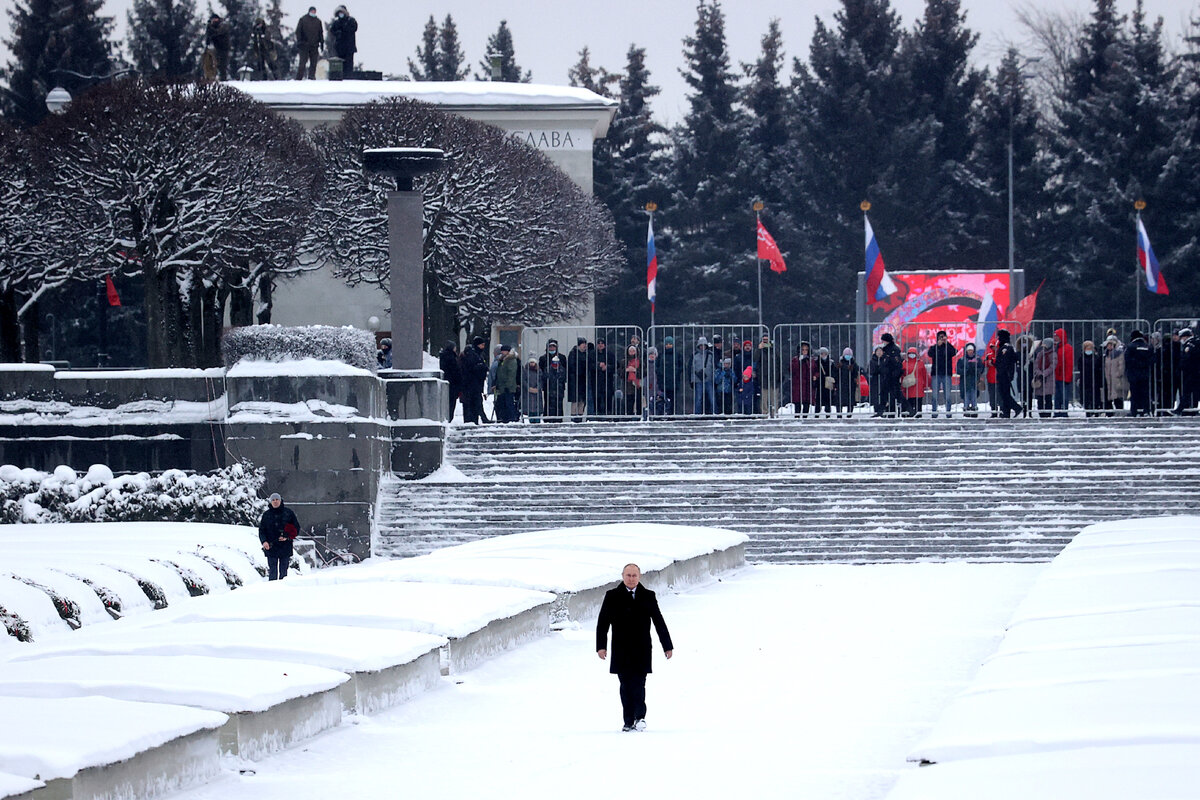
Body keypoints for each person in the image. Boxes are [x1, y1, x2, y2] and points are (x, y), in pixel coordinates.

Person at [596, 563, 673, 732]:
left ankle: (640, 717)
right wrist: (601, 646)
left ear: (639, 577)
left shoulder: (648, 596)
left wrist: (667, 646)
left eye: (634, 575)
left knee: (639, 684)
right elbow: (603, 623)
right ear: (623, 576)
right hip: (620, 649)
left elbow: (659, 622)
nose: (631, 579)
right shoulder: (612, 596)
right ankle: (628, 720)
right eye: (628, 575)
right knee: (625, 685)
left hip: (642, 648)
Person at [258, 492, 299, 581]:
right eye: (273, 500)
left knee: (284, 572)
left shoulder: (288, 513)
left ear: (280, 501)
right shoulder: (266, 515)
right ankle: (272, 591)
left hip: (285, 547)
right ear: (270, 502)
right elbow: (262, 530)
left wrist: (287, 537)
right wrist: (264, 541)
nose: (275, 501)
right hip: (271, 547)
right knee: (272, 571)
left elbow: (296, 528)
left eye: (277, 499)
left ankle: (283, 590)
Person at [926, 330, 957, 418]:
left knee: (947, 395)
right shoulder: (934, 347)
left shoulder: (948, 347)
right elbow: (930, 354)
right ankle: (934, 412)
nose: (942, 338)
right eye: (940, 337)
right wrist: (937, 346)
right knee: (935, 395)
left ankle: (948, 412)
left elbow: (954, 352)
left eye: (943, 337)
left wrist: (947, 343)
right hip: (936, 374)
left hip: (946, 374)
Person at [459, 335, 489, 424]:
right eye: (482, 345)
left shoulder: (476, 355)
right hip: (472, 384)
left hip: (473, 384)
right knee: (475, 403)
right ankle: (479, 419)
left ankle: (477, 419)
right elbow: (471, 369)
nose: (483, 347)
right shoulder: (473, 355)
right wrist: (482, 368)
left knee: (474, 403)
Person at [993, 329, 1022, 418]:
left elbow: (1003, 362)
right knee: (1004, 393)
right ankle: (1006, 412)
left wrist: (995, 363)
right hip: (1005, 374)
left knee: (1004, 394)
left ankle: (1016, 407)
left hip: (1004, 374)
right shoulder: (1006, 347)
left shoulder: (1005, 348)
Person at [1125, 330, 1154, 417]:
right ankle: (1146, 410)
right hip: (1145, 374)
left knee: (1134, 393)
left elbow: (1127, 360)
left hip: (1134, 374)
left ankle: (1134, 411)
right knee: (1145, 393)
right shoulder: (1148, 347)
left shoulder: (1130, 347)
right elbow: (1152, 360)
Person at [539, 339, 568, 421]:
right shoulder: (543, 358)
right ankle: (547, 420)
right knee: (548, 404)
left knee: (559, 405)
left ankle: (558, 420)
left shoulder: (562, 358)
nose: (552, 348)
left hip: (559, 386)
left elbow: (565, 371)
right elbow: (541, 373)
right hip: (548, 386)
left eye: (553, 346)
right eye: (550, 347)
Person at [566, 337, 593, 423]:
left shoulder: (586, 354)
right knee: (575, 400)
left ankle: (580, 418)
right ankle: (573, 418)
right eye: (583, 344)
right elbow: (571, 367)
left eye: (585, 343)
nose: (584, 345)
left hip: (583, 380)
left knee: (582, 401)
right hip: (575, 380)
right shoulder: (573, 354)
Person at [295, 6, 324, 80]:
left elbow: (320, 33)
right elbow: (298, 31)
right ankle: (299, 78)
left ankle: (311, 77)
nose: (313, 13)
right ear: (309, 11)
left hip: (314, 45)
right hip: (304, 45)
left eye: (314, 11)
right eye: (312, 11)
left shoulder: (318, 21)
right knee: (302, 63)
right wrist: (300, 41)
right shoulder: (303, 19)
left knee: (314, 63)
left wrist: (322, 43)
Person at [878, 332, 903, 416]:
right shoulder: (885, 349)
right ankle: (885, 410)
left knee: (892, 394)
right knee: (885, 394)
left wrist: (894, 373)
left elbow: (896, 363)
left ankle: (891, 412)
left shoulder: (893, 350)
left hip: (892, 375)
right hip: (888, 375)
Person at [1077, 340, 1104, 417]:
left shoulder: (1096, 358)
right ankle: (1088, 411)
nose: (1088, 350)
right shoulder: (1081, 358)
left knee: (1095, 397)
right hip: (1085, 380)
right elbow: (1080, 368)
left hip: (1095, 380)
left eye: (1090, 348)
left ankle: (1095, 410)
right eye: (1087, 348)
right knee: (1086, 397)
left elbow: (1099, 368)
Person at [1031, 337, 1057, 418]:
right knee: (1040, 398)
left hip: (1048, 379)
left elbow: (1053, 366)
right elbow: (1035, 365)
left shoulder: (1053, 354)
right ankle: (1041, 413)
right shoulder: (1040, 354)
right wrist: (1039, 373)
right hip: (1040, 379)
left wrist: (1044, 373)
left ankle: (1048, 414)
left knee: (1048, 398)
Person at [1102, 335, 1127, 416]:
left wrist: (1117, 374)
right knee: (1107, 398)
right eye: (1108, 344)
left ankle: (1120, 413)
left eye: (1111, 344)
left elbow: (1121, 366)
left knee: (1118, 397)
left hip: (1116, 379)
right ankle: (1109, 414)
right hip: (1107, 379)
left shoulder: (1119, 354)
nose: (1109, 346)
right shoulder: (1105, 355)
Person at [900, 346, 929, 416]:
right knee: (910, 402)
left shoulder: (920, 363)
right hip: (910, 386)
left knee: (917, 403)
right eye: (910, 353)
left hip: (916, 386)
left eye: (913, 353)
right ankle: (911, 415)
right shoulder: (904, 363)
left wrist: (926, 384)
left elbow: (924, 374)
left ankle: (917, 415)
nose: (912, 355)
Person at [956, 342, 983, 416]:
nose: (970, 352)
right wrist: (965, 370)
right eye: (969, 350)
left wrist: (975, 370)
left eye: (971, 350)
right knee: (966, 395)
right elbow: (958, 370)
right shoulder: (962, 360)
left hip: (974, 381)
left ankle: (974, 409)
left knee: (974, 395)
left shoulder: (977, 359)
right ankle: (966, 409)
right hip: (965, 381)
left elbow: (981, 368)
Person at [1052, 328, 1075, 417]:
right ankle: (1057, 411)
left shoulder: (1067, 348)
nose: (1055, 338)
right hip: (1057, 376)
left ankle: (1064, 412)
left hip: (1064, 376)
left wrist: (1068, 377)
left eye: (1057, 336)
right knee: (1057, 396)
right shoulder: (1056, 348)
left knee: (1064, 396)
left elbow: (1069, 364)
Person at [494, 344, 520, 423]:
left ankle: (511, 418)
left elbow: (511, 374)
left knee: (509, 403)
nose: (502, 352)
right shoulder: (502, 360)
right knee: (502, 403)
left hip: (508, 386)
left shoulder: (511, 360)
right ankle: (504, 418)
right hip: (502, 386)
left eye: (504, 351)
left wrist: (508, 385)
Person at [790, 342, 816, 417]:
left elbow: (815, 370)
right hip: (798, 384)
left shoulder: (811, 360)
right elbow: (792, 369)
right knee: (797, 403)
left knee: (806, 403)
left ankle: (805, 417)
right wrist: (799, 361)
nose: (804, 351)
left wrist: (815, 376)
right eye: (802, 350)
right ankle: (797, 417)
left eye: (806, 350)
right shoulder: (795, 360)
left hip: (808, 385)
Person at [659, 336, 684, 416]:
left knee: (673, 399)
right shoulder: (661, 355)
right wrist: (661, 373)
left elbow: (682, 366)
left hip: (674, 381)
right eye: (667, 344)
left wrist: (676, 372)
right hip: (663, 381)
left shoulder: (677, 355)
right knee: (663, 399)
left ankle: (672, 414)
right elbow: (657, 366)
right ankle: (663, 414)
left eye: (670, 344)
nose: (668, 345)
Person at [438, 340, 462, 421]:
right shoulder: (452, 358)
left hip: (448, 382)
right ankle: (449, 418)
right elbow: (456, 371)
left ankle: (447, 418)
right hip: (453, 384)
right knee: (451, 403)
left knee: (448, 403)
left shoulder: (443, 357)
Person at [1176, 328, 1198, 415]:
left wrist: (1181, 367)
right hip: (1194, 372)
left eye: (1181, 337)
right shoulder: (1194, 342)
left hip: (1191, 373)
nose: (1181, 340)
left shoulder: (1190, 345)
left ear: (1185, 337)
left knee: (1186, 391)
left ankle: (1183, 409)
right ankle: (1189, 409)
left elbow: (1187, 359)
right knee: (1190, 392)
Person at [691, 336, 715, 415]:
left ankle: (714, 413)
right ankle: (697, 414)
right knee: (698, 398)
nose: (702, 347)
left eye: (704, 345)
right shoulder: (695, 356)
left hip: (709, 379)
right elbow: (692, 369)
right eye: (701, 345)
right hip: (698, 380)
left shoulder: (711, 355)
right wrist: (692, 380)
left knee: (712, 398)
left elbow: (713, 368)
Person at [329, 5, 357, 71]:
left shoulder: (351, 20)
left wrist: (345, 30)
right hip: (340, 47)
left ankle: (349, 76)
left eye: (342, 12)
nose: (341, 14)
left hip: (349, 46)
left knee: (349, 64)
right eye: (339, 13)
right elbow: (332, 30)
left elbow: (354, 28)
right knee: (340, 63)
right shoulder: (336, 22)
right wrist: (338, 33)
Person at [834, 347, 860, 418]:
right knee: (839, 400)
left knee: (850, 400)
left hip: (851, 385)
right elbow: (835, 373)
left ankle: (849, 414)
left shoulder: (854, 364)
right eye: (846, 354)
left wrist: (853, 370)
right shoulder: (840, 363)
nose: (848, 356)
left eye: (849, 355)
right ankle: (839, 414)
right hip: (841, 384)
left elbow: (856, 373)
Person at [593, 338, 616, 417]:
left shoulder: (610, 354)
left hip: (608, 381)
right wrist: (598, 366)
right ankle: (597, 416)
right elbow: (590, 365)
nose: (600, 345)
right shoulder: (593, 354)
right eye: (598, 343)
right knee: (597, 400)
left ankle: (608, 416)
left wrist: (607, 367)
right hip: (596, 381)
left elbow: (616, 365)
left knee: (608, 399)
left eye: (602, 343)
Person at [204, 14, 231, 80]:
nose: (214, 21)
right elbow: (208, 38)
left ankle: (223, 79)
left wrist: (210, 27)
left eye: (215, 19)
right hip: (216, 48)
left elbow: (217, 32)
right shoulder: (213, 27)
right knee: (211, 64)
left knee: (222, 66)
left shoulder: (223, 25)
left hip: (223, 48)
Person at [620, 344, 642, 417]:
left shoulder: (640, 361)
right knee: (629, 402)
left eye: (633, 351)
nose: (632, 352)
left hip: (638, 385)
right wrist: (626, 370)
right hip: (628, 386)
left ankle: (639, 417)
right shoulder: (624, 362)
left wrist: (635, 370)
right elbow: (620, 373)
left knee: (639, 401)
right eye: (630, 351)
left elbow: (644, 372)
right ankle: (629, 417)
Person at [814, 346, 835, 417]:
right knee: (818, 399)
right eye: (822, 354)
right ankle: (817, 413)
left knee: (828, 398)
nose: (823, 355)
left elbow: (834, 372)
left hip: (828, 383)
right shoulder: (816, 362)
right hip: (819, 383)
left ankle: (828, 413)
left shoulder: (831, 363)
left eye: (825, 354)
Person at [521, 357, 542, 423]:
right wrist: (528, 388)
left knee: (537, 406)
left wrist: (537, 388)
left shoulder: (539, 371)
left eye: (533, 362)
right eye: (531, 362)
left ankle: (537, 420)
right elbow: (523, 380)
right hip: (528, 392)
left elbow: (541, 380)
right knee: (529, 406)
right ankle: (531, 420)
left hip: (536, 392)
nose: (532, 364)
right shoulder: (525, 371)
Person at [867, 346, 885, 415]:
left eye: (881, 351)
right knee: (876, 397)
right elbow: (870, 371)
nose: (879, 353)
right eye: (878, 351)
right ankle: (877, 411)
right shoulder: (872, 361)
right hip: (875, 382)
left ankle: (883, 411)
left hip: (883, 381)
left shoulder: (885, 360)